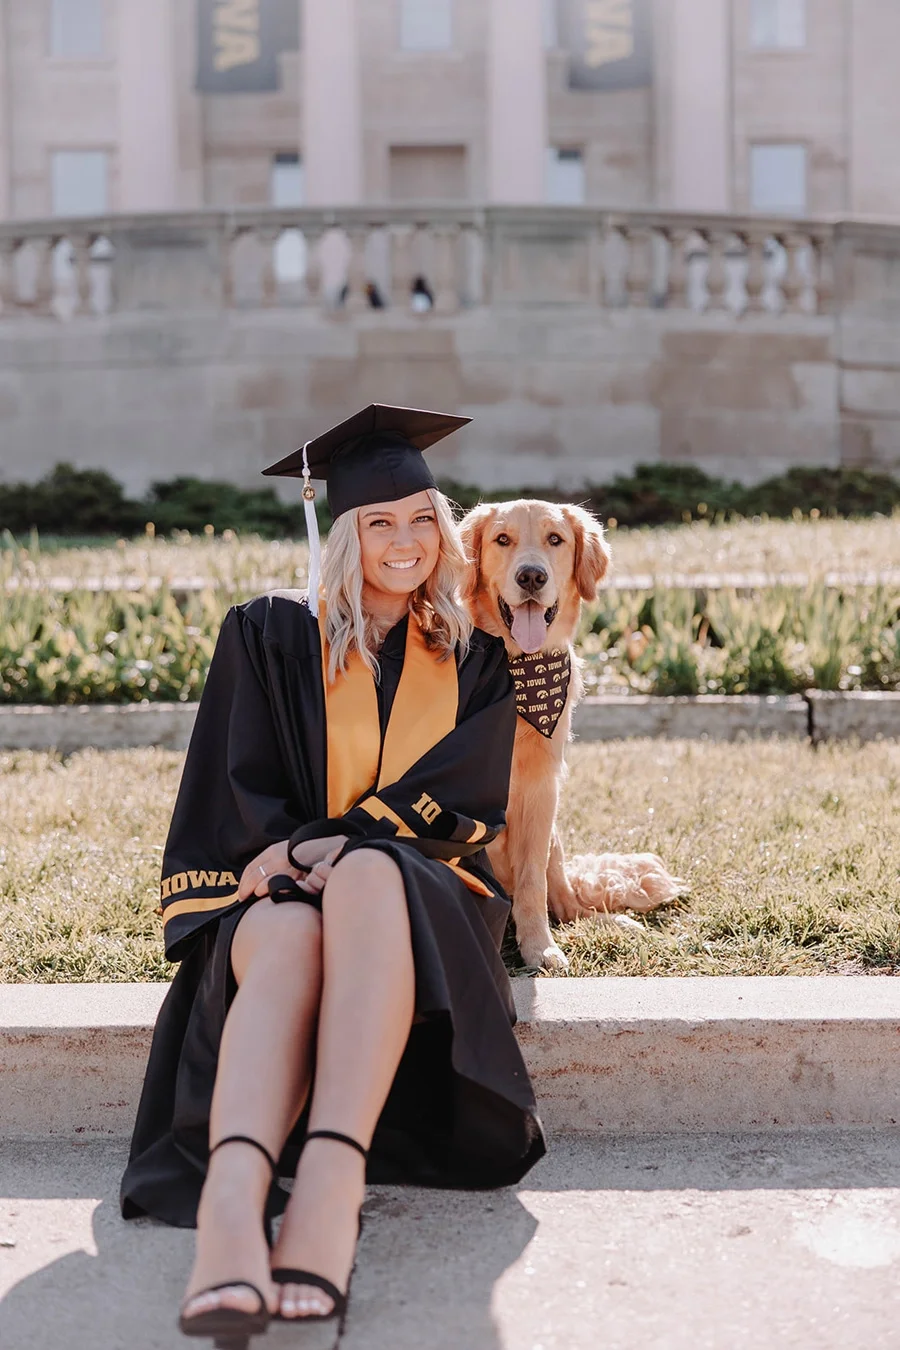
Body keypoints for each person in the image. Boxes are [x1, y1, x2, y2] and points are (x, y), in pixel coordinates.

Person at [120, 404, 546, 1346]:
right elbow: (233, 787)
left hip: (430, 903)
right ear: (342, 529)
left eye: (421, 520)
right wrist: (294, 860)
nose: (404, 542)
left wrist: (332, 846)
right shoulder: (268, 634)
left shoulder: (477, 661)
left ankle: (328, 1183)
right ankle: (233, 1209)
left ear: (445, 530)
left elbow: (468, 805)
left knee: (366, 876)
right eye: (378, 522)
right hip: (280, 891)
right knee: (279, 929)